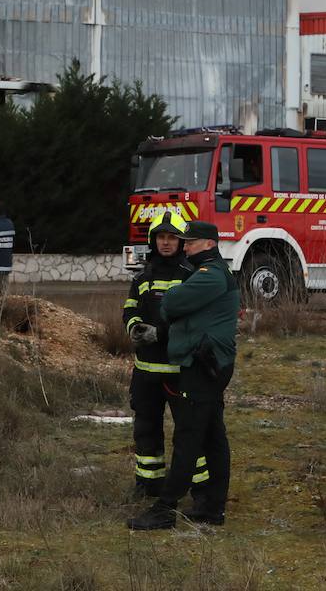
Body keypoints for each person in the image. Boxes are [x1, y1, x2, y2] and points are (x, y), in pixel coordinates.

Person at [127, 220, 240, 530]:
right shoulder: (207, 274)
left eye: (189, 242)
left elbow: (172, 302)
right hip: (206, 365)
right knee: (214, 437)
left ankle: (165, 508)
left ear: (207, 244)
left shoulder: (210, 275)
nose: (184, 246)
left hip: (203, 368)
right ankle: (212, 508)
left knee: (189, 437)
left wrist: (173, 304)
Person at [122, 210, 208, 497]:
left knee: (188, 433)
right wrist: (134, 327)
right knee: (145, 430)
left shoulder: (191, 275)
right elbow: (130, 308)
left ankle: (199, 490)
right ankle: (148, 485)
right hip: (146, 372)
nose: (166, 243)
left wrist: (159, 332)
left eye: (172, 237)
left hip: (180, 373)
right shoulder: (143, 276)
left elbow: (194, 319)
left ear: (181, 241)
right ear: (153, 240)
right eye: (161, 237)